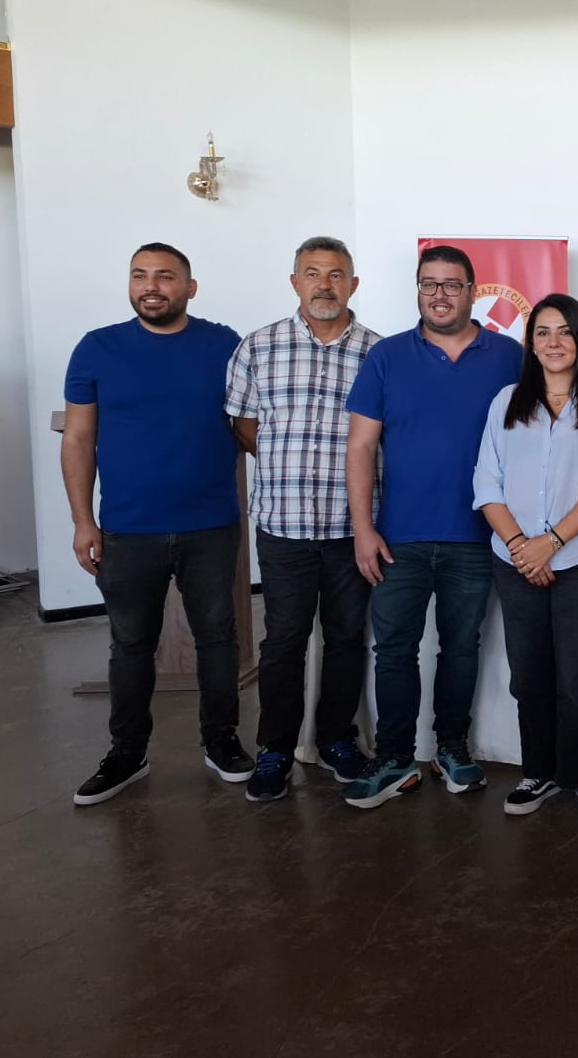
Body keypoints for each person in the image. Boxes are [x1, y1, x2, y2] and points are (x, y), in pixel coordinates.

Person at [64, 243, 250, 805]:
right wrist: (83, 521)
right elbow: (78, 439)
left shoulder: (224, 344)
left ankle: (222, 742)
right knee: (130, 645)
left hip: (210, 525)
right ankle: (127, 754)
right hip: (127, 529)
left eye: (166, 276)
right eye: (140, 275)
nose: (151, 286)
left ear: (189, 288)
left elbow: (251, 422)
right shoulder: (97, 348)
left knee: (218, 639)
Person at [341, 244, 523, 809]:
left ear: (472, 292)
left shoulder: (510, 356)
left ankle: (451, 748)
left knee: (461, 648)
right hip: (398, 537)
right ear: (418, 290)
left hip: (478, 535)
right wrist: (363, 528)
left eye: (451, 284)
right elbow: (361, 445)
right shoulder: (387, 356)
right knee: (394, 650)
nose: (439, 295)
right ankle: (395, 758)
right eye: (428, 284)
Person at [224, 236, 382, 802]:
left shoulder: (378, 353)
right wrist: (282, 460)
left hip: (351, 527)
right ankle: (275, 749)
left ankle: (337, 739)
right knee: (283, 641)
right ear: (295, 282)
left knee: (346, 638)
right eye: (312, 273)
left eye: (336, 274)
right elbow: (243, 424)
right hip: (283, 524)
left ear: (353, 285)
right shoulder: (258, 347)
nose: (324, 285)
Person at [473, 294, 578, 822]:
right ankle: (537, 772)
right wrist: (523, 547)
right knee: (529, 676)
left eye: (565, 332)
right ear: (531, 343)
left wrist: (552, 542)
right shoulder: (506, 401)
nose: (554, 342)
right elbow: (487, 482)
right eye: (543, 332)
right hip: (515, 559)